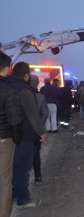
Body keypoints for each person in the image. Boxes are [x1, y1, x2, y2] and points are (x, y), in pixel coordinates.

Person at [8, 62, 48, 208]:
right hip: (24, 135)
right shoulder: (25, 91)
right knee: (22, 168)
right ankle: (22, 198)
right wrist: (42, 132)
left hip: (8, 134)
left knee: (10, 168)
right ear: (26, 75)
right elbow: (33, 115)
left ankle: (10, 195)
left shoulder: (6, 86)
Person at [0, 52, 22, 217]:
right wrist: (17, 136)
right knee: (4, 180)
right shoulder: (8, 89)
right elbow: (14, 117)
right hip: (3, 139)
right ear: (8, 68)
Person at [30, 75, 48, 184]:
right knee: (36, 154)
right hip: (36, 131)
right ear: (37, 83)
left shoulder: (20, 95)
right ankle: (38, 177)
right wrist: (40, 126)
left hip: (23, 131)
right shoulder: (40, 97)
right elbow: (45, 113)